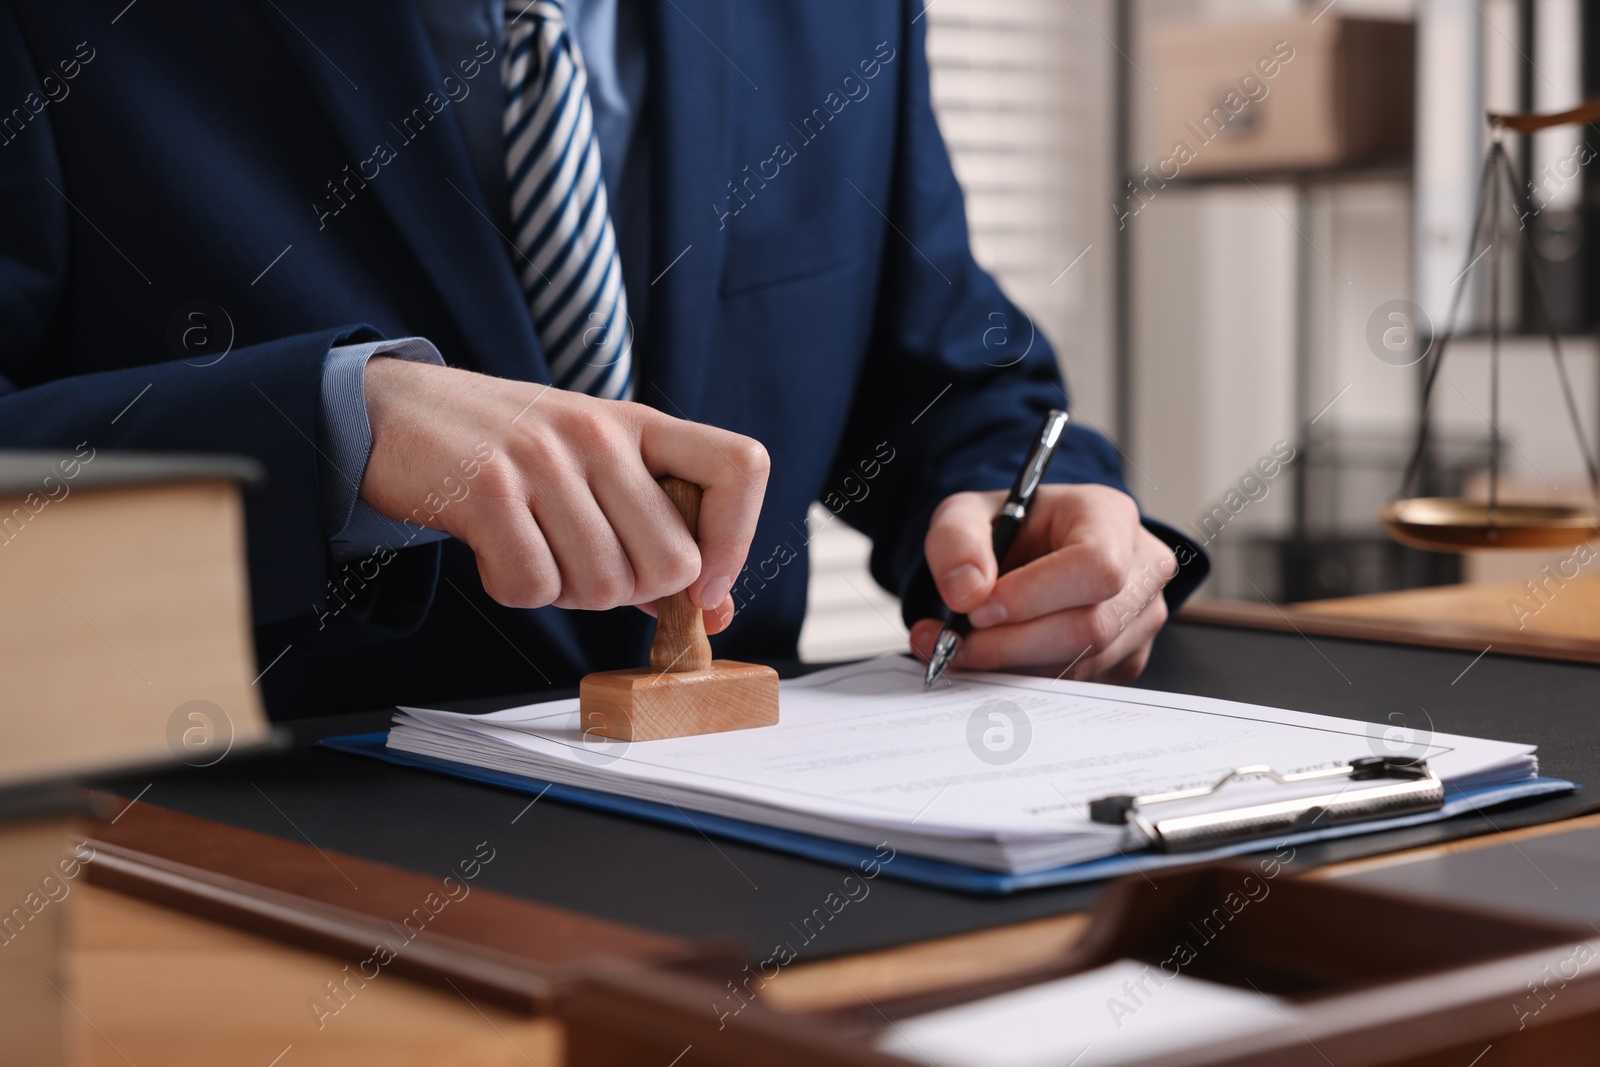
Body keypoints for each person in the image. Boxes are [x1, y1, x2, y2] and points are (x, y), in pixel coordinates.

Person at [0, 0, 1205, 717]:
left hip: (758, 886)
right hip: (226, 888)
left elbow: (948, 379)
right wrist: (332, 427)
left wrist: (1024, 514)